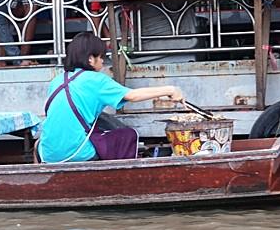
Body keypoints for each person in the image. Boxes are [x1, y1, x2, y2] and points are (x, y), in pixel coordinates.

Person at [37, 32, 184, 163]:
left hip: (47, 154)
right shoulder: (96, 80)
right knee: (127, 135)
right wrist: (170, 89)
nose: (102, 61)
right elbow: (133, 96)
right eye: (101, 57)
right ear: (90, 59)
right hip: (76, 153)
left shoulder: (58, 80)